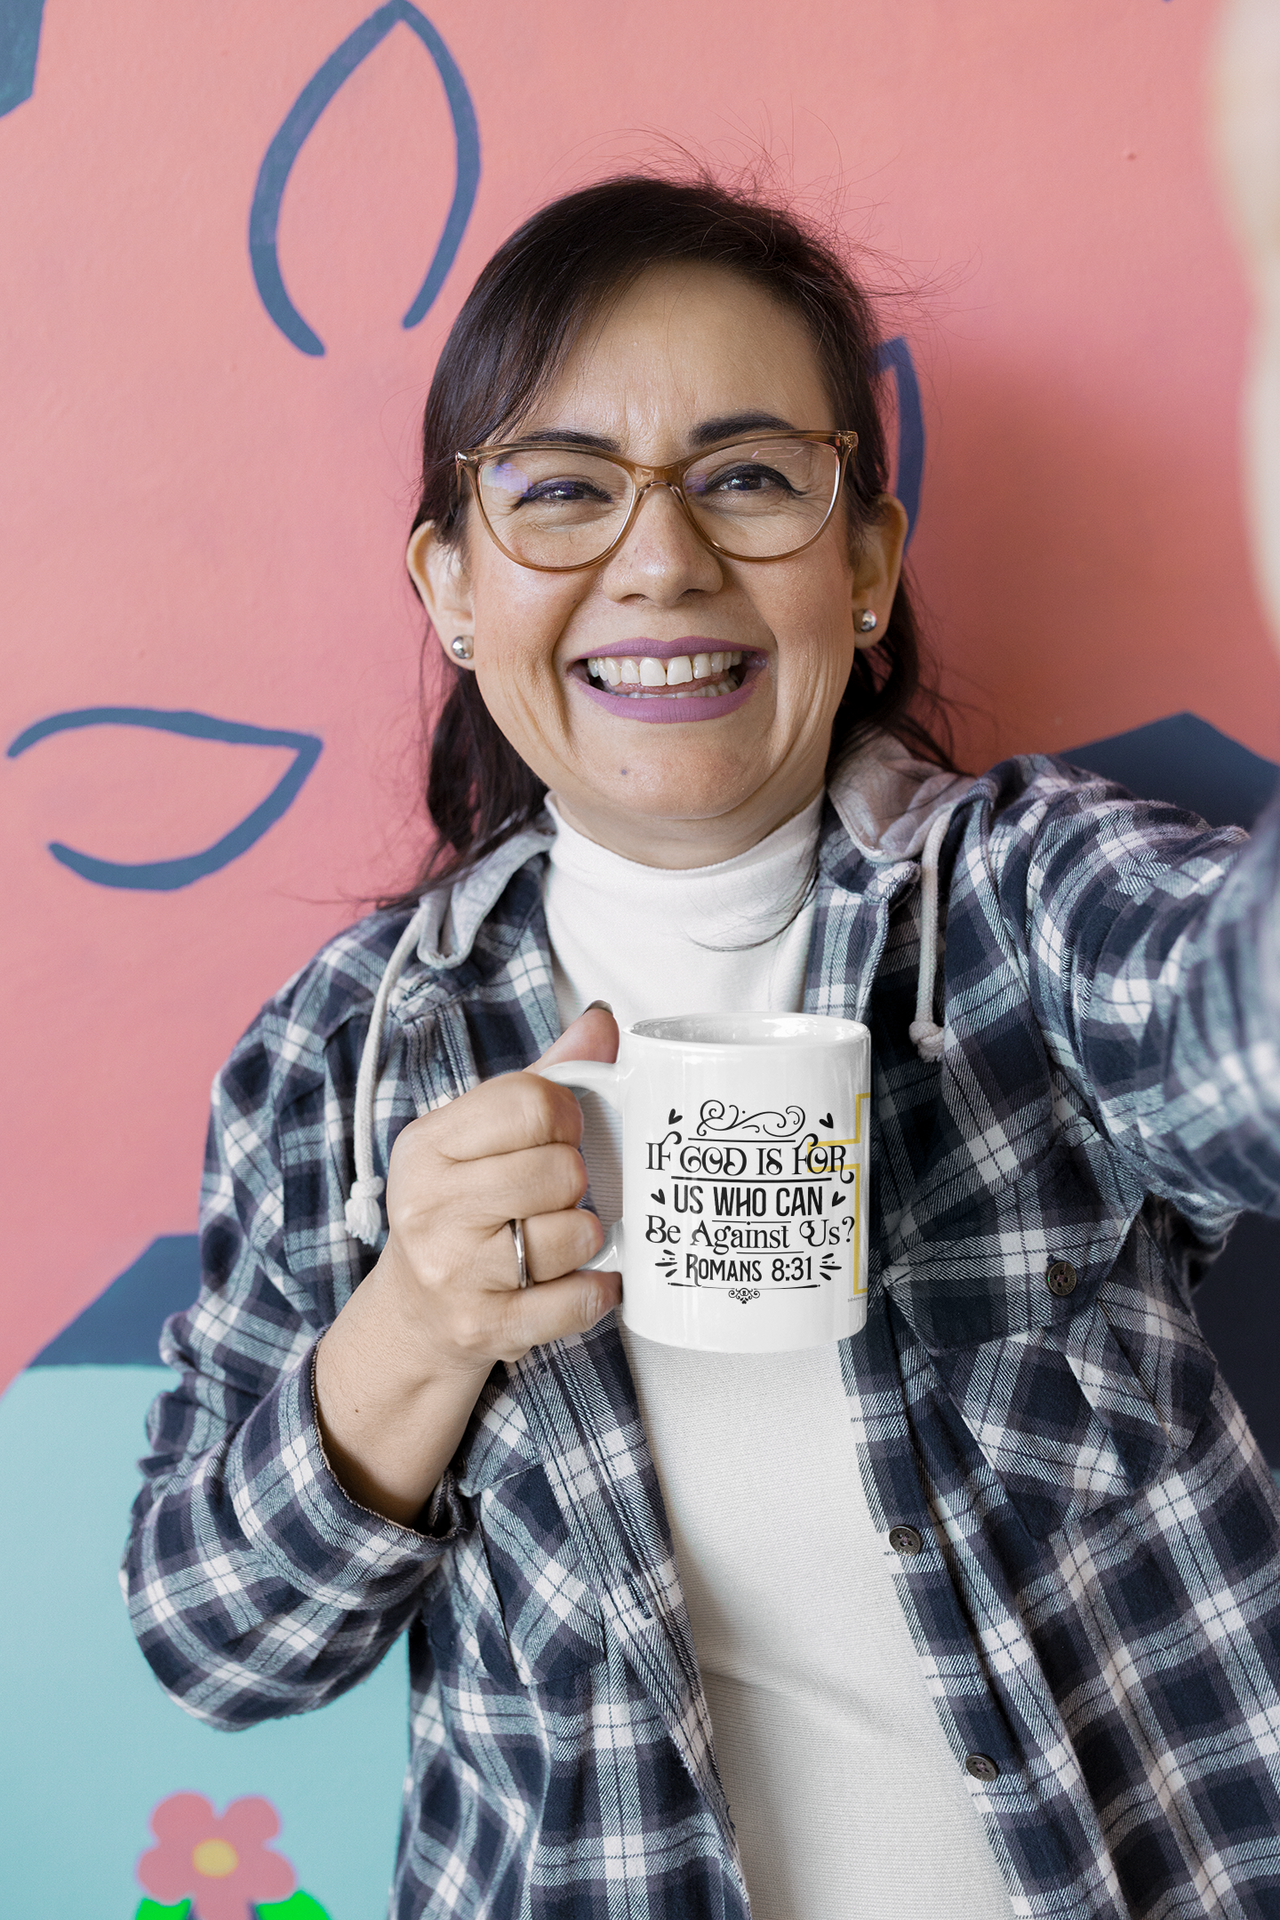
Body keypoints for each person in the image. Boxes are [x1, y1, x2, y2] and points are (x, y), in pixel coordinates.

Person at [124, 16, 1280, 1911]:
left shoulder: (1022, 898)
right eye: (563, 488)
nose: (660, 562)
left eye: (748, 479)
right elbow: (216, 1645)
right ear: (452, 588)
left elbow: (1245, 1033)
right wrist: (412, 1325)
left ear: (871, 561)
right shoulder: (337, 1063)